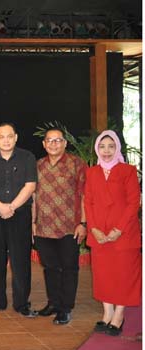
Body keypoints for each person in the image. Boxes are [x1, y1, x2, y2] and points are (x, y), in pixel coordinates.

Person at [0, 123, 37, 317]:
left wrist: (11, 207)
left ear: (16, 137)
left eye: (9, 136)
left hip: (20, 215)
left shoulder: (27, 157)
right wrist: (1, 207)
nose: (6, 140)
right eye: (1, 137)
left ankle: (21, 304)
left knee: (21, 261)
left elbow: (30, 186)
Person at [85, 130, 141, 337]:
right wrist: (94, 228)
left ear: (117, 148)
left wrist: (118, 229)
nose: (106, 151)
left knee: (123, 274)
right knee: (103, 274)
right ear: (97, 149)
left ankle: (119, 314)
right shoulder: (92, 172)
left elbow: (134, 202)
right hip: (99, 234)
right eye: (102, 146)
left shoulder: (127, 170)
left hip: (123, 235)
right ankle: (107, 312)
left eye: (111, 146)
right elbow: (88, 202)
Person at [33, 128, 87, 325]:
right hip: (43, 227)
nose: (53, 144)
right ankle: (53, 303)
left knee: (69, 268)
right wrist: (33, 223)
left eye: (58, 140)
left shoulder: (76, 164)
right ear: (44, 144)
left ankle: (66, 308)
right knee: (50, 268)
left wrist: (83, 223)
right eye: (50, 141)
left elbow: (84, 195)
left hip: (69, 227)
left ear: (65, 143)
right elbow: (33, 196)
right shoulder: (38, 165)